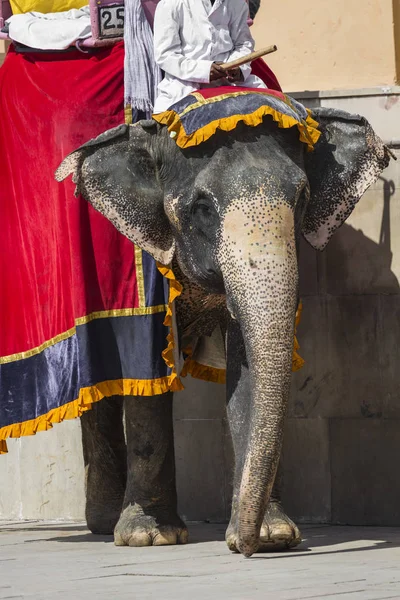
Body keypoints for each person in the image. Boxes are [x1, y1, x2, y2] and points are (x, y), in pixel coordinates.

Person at [153, 0, 265, 113]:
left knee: (267, 106)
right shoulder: (171, 4)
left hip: (230, 83)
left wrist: (237, 67)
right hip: (184, 86)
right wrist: (205, 70)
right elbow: (165, 55)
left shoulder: (236, 4)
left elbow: (244, 44)